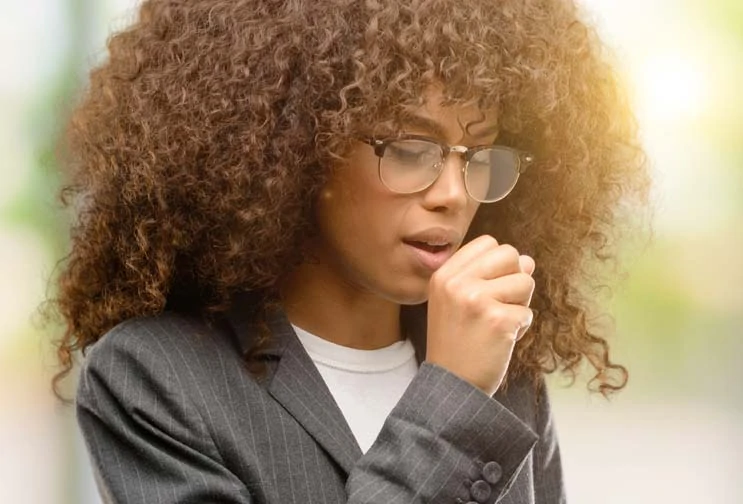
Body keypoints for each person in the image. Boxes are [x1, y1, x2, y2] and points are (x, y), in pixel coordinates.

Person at [49, 0, 650, 502]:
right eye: (413, 149)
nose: (454, 195)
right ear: (296, 148)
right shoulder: (157, 379)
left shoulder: (504, 372)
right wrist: (453, 402)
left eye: (479, 156)